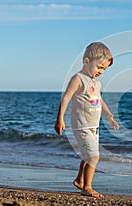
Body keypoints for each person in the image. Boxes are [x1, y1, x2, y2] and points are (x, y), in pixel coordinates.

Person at [54, 42, 119, 198]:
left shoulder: (96, 82)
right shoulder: (78, 79)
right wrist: (60, 119)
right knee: (93, 156)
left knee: (87, 155)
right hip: (81, 126)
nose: (101, 71)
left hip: (94, 126)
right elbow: (66, 98)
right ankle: (87, 187)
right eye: (99, 67)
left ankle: (79, 180)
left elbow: (99, 100)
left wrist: (109, 116)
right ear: (86, 61)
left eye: (104, 69)